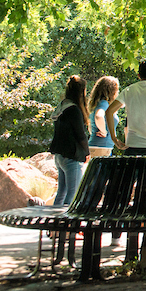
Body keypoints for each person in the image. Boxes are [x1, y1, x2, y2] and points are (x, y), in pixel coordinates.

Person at [49, 76, 90, 205]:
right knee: (73, 192)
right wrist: (87, 152)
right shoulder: (74, 110)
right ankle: (65, 221)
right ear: (81, 92)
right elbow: (81, 135)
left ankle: (54, 219)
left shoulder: (62, 107)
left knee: (62, 191)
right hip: (71, 156)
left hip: (59, 155)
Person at [110, 59, 146, 155]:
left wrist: (114, 138)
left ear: (139, 75)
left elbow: (109, 112)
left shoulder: (128, 90)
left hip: (131, 144)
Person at [86, 76, 120, 158]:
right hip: (100, 148)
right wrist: (104, 131)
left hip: (99, 147)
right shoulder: (103, 103)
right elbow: (99, 116)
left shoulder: (98, 103)